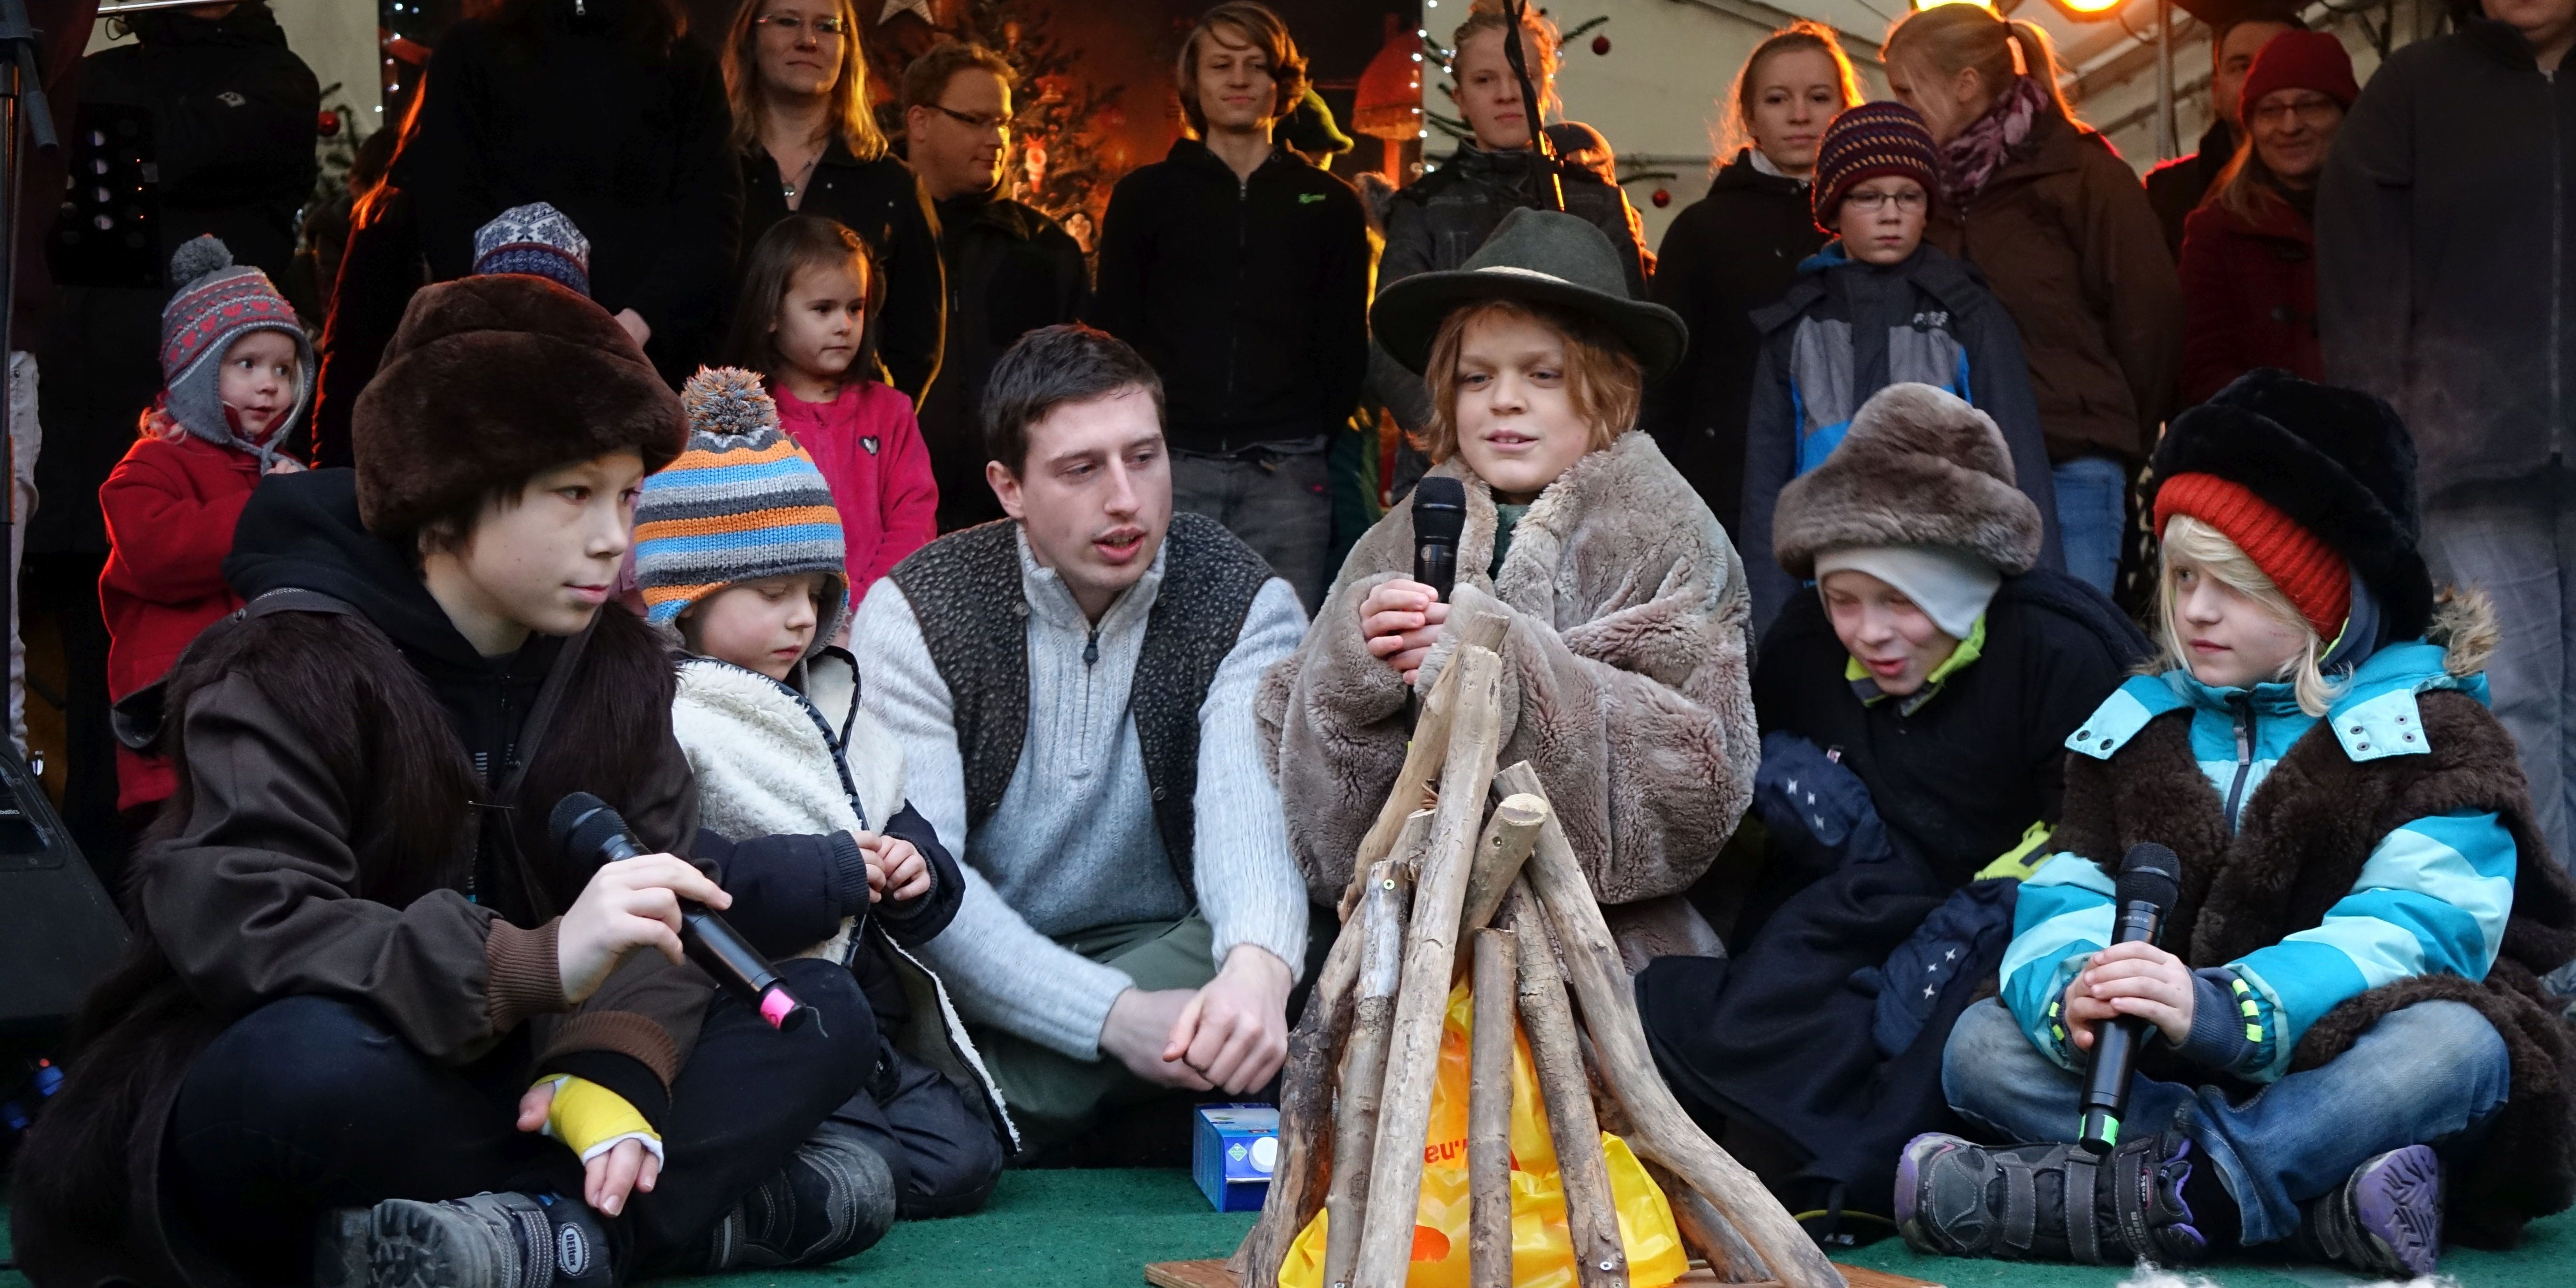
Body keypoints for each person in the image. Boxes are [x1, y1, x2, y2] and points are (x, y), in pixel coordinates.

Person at [11, 274, 898, 1288]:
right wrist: (530, 962)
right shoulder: (287, 661)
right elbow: (246, 916)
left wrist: (611, 1061)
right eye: (573, 495)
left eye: (625, 496)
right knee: (308, 1071)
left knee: (817, 1012)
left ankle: (545, 1240)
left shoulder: (620, 668)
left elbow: (666, 895)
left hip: (528, 1075)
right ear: (446, 498)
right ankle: (681, 1222)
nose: (614, 538)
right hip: (335, 1066)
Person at [1900, 372, 2576, 1277]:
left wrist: (2231, 1009)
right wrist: (2073, 992)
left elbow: (2420, 926)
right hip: (2176, 1059)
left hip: (2344, 1050)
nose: (2195, 610)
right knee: (1979, 1044)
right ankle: (2306, 1204)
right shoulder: (2135, 724)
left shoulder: (2435, 730)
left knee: (2458, 1046)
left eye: (2238, 586)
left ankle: (2163, 1192)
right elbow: (2068, 884)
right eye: (2182, 577)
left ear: (2332, 598)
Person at [1638, 381, 2145, 1243]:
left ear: (1963, 587)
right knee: (1778, 978)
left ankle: (1871, 1180)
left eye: (1901, 602)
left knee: (1940, 1016)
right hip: (1863, 900)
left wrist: (1976, 910)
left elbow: (2100, 832)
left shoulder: (2063, 649)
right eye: (1845, 599)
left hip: (2019, 921)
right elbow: (1751, 810)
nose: (1868, 633)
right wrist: (1784, 788)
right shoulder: (1803, 646)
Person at [849, 323, 1311, 1153]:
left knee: (1285, 937)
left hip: (1169, 950)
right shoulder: (919, 612)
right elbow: (930, 887)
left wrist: (1254, 976)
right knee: (891, 952)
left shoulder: (1241, 598)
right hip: (980, 968)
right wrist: (1114, 1019)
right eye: (1081, 469)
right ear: (1009, 488)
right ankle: (1072, 1095)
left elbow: (1248, 824)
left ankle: (982, 1102)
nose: (1126, 499)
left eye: (1144, 457)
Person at [1261, 208, 1756, 964]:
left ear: (1608, 387)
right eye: (1477, 377)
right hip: (1405, 940)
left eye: (1543, 374)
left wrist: (1504, 672)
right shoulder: (1401, 534)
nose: (1504, 400)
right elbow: (1321, 834)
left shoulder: (1672, 535)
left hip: (1605, 950)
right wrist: (1351, 673)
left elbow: (1699, 787)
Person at [637, 366, 1009, 1221]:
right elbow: (687, 872)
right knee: (871, 1163)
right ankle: (773, 1180)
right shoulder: (671, 717)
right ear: (687, 601)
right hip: (744, 1012)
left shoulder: (837, 698)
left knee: (963, 1160)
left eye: (814, 592)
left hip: (865, 1021)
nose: (803, 617)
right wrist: (833, 873)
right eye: (772, 595)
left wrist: (917, 870)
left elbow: (894, 811)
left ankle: (812, 1160)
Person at [2318, 0, 2576, 882]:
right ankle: (2550, 935)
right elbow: (2360, 285)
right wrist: (2386, 444)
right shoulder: (2411, 91)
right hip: (2467, 464)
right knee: (2513, 706)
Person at [1883, 3, 2183, 599]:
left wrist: (2109, 426)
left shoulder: (2085, 176)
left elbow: (2150, 320)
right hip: (1954, 473)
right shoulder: (1918, 196)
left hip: (2071, 461)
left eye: (1908, 91)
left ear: (1966, 85)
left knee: (2066, 635)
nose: (1899, 110)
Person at [1089, 1, 1370, 614]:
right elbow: (1117, 333)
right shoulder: (1145, 198)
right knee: (1157, 639)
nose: (1239, 79)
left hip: (1288, 472)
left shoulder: (1329, 204)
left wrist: (1303, 431)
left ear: (1281, 83)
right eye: (1221, 64)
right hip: (1168, 463)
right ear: (1194, 82)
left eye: (1255, 64)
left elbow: (1346, 343)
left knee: (1281, 646)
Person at [1739, 103, 2057, 634]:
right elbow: (1765, 492)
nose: (1891, 213)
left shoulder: (1967, 313)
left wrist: (2037, 617)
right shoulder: (1796, 327)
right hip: (1827, 587)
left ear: (1928, 207)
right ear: (1833, 207)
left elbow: (2021, 465)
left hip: (1950, 583)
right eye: (1868, 196)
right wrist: (1771, 629)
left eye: (1909, 196)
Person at [399, 0, 740, 385]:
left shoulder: (685, 61)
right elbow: (445, 207)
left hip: (649, 365)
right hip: (500, 361)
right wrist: (508, 325)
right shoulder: (471, 51)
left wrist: (638, 324)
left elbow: (711, 218)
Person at [97, 238, 310, 836]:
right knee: (181, 859)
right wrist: (268, 510)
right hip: (179, 718)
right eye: (246, 365)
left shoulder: (285, 474)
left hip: (268, 718)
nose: (269, 385)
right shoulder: (152, 464)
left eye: (284, 370)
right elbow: (155, 553)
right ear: (194, 373)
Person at [1371, 3, 1651, 454]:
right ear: (1460, 97)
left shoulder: (1596, 201)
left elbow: (1630, 339)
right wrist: (1460, 442)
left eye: (1522, 76)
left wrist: (1586, 438)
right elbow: (1392, 346)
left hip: (1578, 459)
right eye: (1485, 80)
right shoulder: (1424, 207)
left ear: (1545, 85)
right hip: (1450, 461)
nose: (1506, 94)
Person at [1646, 20, 1860, 534]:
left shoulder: (1876, 222)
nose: (1800, 115)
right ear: (1748, 115)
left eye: (1819, 97)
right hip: (1728, 496)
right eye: (1778, 99)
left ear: (1845, 106)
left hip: (1856, 492)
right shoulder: (1703, 229)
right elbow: (1666, 382)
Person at [900, 41, 1088, 534]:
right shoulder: (874, 239)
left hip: (1018, 515)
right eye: (976, 121)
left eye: (1002, 122)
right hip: (893, 510)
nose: (997, 139)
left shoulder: (1047, 248)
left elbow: (1077, 390)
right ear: (920, 122)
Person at [725, 0, 947, 407]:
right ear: (750, 39)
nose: (808, 40)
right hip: (719, 429)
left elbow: (918, 340)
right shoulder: (710, 170)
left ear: (848, 49)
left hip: (850, 432)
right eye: (788, 21)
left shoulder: (892, 183)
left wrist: (875, 427)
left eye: (827, 27)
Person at [724, 215, 938, 599]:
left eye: (855, 308)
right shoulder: (743, 419)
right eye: (823, 309)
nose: (845, 325)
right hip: (777, 621)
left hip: (879, 618)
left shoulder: (892, 413)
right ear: (771, 314)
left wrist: (865, 605)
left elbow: (914, 521)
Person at [2178, 32, 2355, 406]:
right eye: (2270, 111)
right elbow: (2202, 366)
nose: (2290, 126)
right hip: (2262, 435)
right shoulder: (2216, 232)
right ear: (2252, 127)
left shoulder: (2390, 217)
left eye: (2310, 106)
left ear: (2345, 114)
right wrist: (2286, 415)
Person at [2142, 8, 2304, 258]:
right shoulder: (2166, 197)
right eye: (2242, 66)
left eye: (2277, 62)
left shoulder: (2348, 182)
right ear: (2216, 93)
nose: (2259, 78)